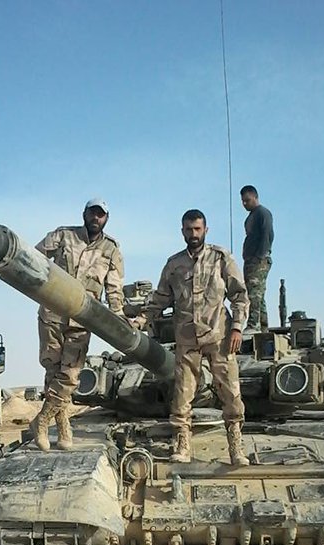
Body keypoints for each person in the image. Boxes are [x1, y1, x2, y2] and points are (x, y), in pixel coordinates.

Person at [146, 209, 250, 465]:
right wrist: (141, 318)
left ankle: (235, 446)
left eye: (197, 229)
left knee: (231, 394)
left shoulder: (221, 258)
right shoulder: (174, 264)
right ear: (182, 231)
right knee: (182, 394)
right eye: (188, 229)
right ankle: (182, 443)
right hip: (187, 339)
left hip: (220, 337)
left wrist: (237, 327)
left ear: (205, 230)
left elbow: (239, 294)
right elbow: (160, 298)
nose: (193, 234)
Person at [32, 198, 125, 450]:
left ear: (106, 218)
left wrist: (117, 315)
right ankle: (63, 428)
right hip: (53, 311)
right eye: (92, 213)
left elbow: (114, 288)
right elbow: (33, 258)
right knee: (53, 370)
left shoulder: (111, 249)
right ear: (84, 214)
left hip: (83, 318)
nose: (96, 218)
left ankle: (41, 421)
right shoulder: (63, 236)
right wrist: (42, 286)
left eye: (101, 214)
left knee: (71, 375)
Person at [240, 185, 274, 333]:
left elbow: (268, 235)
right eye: (243, 201)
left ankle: (254, 325)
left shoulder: (262, 213)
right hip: (250, 260)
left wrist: (260, 256)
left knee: (254, 294)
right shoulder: (251, 216)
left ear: (255, 197)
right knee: (258, 294)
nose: (245, 204)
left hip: (258, 260)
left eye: (247, 200)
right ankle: (263, 326)